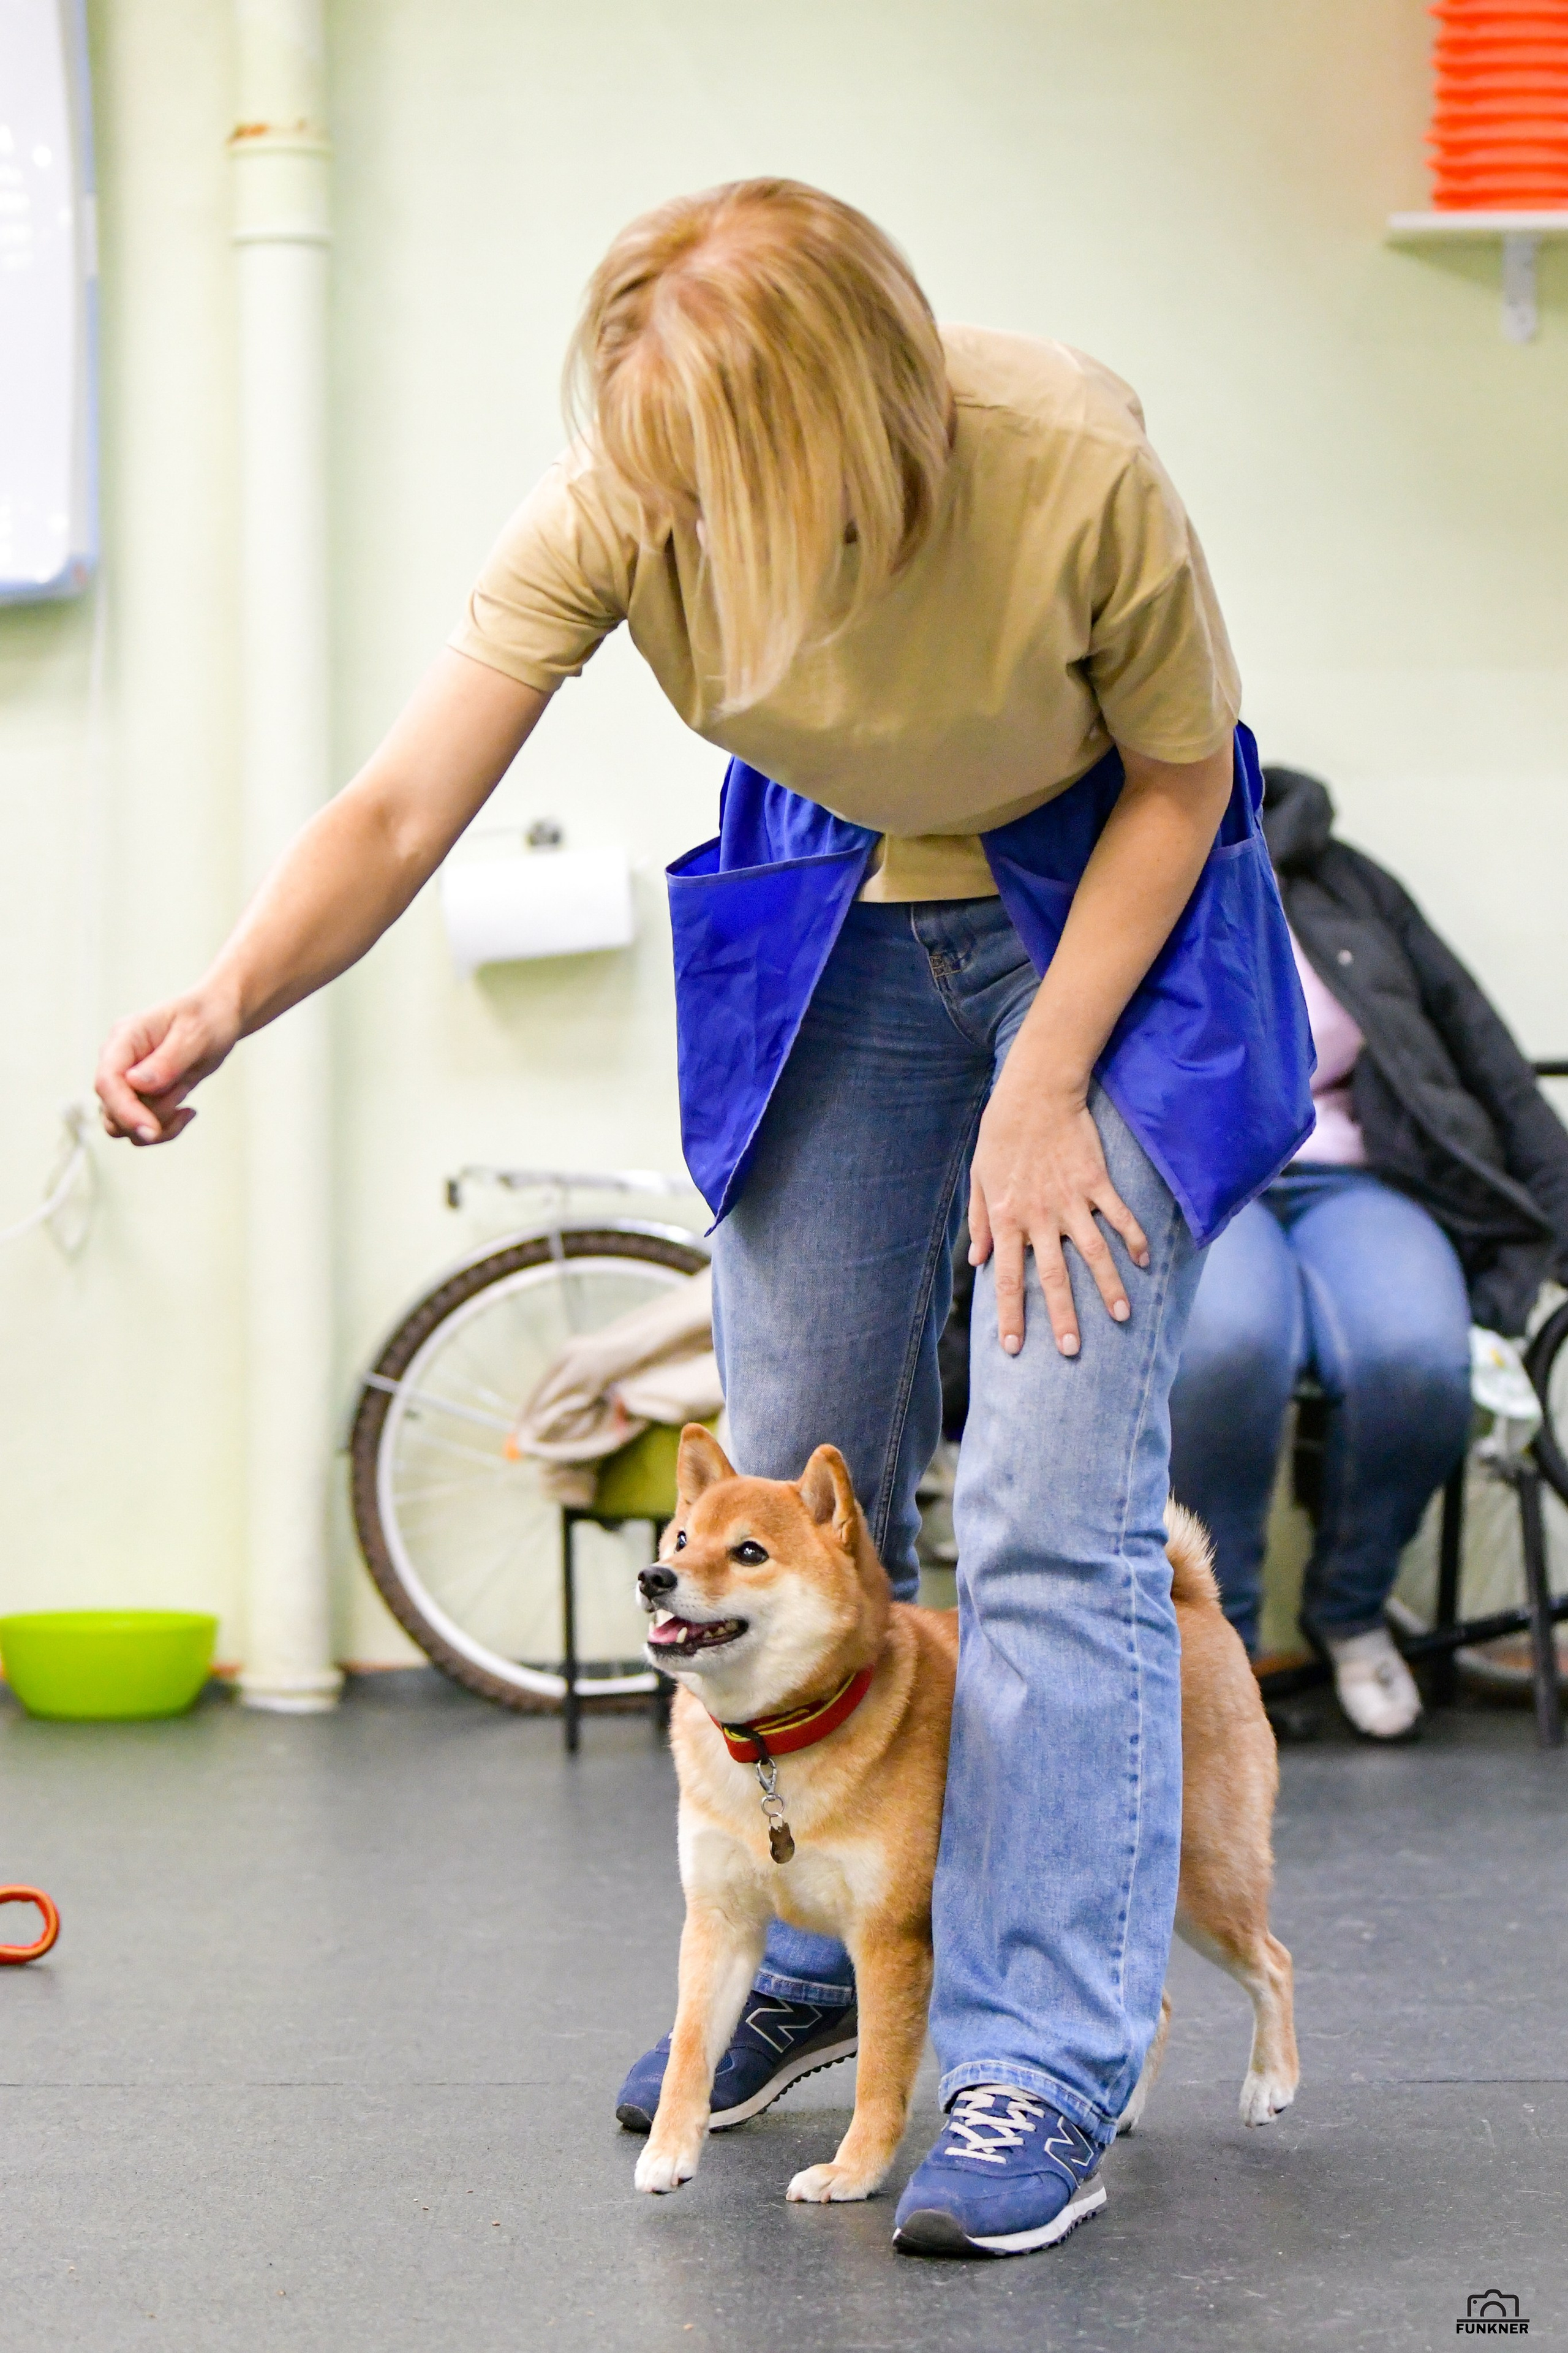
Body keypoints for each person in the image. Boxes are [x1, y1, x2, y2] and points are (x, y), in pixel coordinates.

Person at [95, 180, 1312, 2257]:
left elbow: (1186, 787)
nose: (665, 510)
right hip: (836, 909)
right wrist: (224, 996)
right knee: (799, 1456)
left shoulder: (1074, 465)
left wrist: (1048, 1087)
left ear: (860, 430)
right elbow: (402, 806)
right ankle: (836, 1958)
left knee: (1047, 1500)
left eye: (717, 473)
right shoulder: (621, 494)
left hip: (1098, 918)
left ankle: (1039, 2047)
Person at [1169, 765, 1568, 1740]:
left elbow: (1473, 1039)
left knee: (1417, 1358)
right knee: (1225, 1352)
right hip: (1208, 1181)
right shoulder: (1118, 869)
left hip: (1362, 1172)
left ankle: (1351, 1612)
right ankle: (1228, 1643)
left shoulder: (1349, 881)